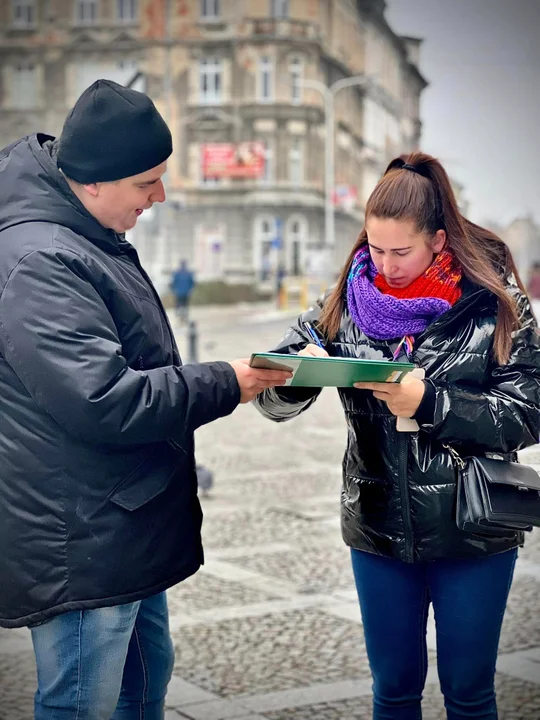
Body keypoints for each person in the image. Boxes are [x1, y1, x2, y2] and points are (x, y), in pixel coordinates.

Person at [0, 79, 291, 719]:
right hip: (79, 541)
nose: (160, 196)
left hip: (118, 524)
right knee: (83, 704)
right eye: (146, 182)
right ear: (95, 180)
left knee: (142, 683)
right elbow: (104, 399)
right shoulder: (42, 258)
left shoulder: (80, 233)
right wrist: (228, 380)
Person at [254, 152, 540, 720]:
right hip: (379, 527)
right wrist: (297, 375)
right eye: (375, 248)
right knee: (393, 691)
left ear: (437, 240)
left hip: (474, 527)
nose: (385, 265)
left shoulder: (493, 304)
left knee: (469, 692)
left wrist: (432, 402)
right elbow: (270, 390)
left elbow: (529, 408)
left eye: (400, 251)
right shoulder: (345, 302)